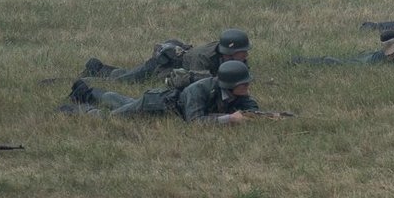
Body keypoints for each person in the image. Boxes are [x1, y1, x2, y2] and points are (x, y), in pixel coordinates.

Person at [67, 60, 262, 123]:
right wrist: (229, 119)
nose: (247, 87)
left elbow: (250, 106)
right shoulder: (200, 89)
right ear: (228, 85)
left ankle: (94, 93)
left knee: (123, 102)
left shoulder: (236, 92)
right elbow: (195, 121)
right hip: (154, 105)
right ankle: (75, 109)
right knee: (111, 117)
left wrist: (254, 115)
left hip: (161, 103)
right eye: (243, 84)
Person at [81, 28, 250, 83]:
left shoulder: (234, 57)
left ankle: (98, 68)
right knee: (121, 80)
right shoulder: (202, 58)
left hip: (175, 64)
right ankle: (85, 78)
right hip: (164, 66)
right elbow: (198, 81)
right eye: (243, 52)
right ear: (230, 52)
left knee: (125, 74)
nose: (246, 55)